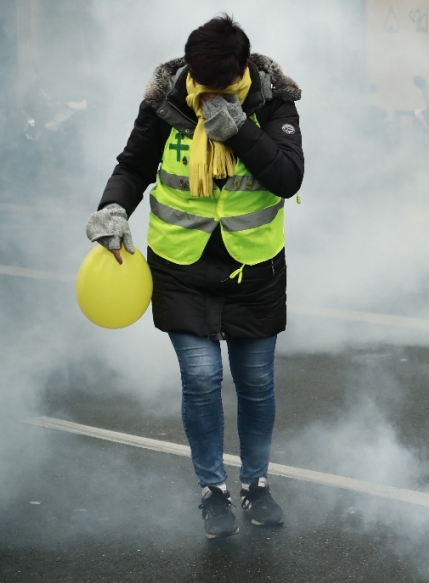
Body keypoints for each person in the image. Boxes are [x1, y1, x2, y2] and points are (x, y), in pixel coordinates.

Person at [84, 15, 304, 539]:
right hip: (181, 264)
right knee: (202, 379)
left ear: (243, 69)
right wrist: (113, 208)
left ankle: (256, 484)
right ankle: (213, 490)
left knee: (255, 382)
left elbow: (288, 176)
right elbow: (133, 166)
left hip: (254, 266)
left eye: (219, 86)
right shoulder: (167, 102)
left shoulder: (274, 102)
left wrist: (242, 131)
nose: (207, 94)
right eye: (199, 83)